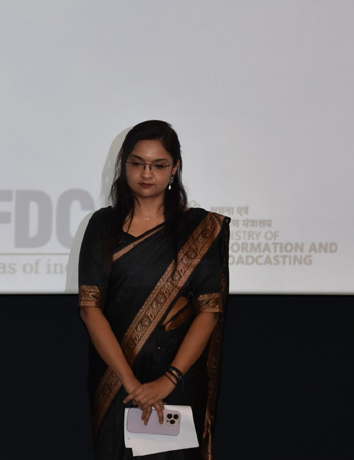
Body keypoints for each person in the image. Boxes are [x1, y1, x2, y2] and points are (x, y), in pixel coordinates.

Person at [78, 120, 229, 459]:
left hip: (177, 376)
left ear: (174, 168)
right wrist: (132, 384)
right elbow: (90, 307)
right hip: (117, 380)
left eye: (158, 165)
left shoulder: (197, 229)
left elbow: (209, 310)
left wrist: (168, 380)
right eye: (137, 163)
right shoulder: (103, 225)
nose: (147, 173)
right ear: (124, 165)